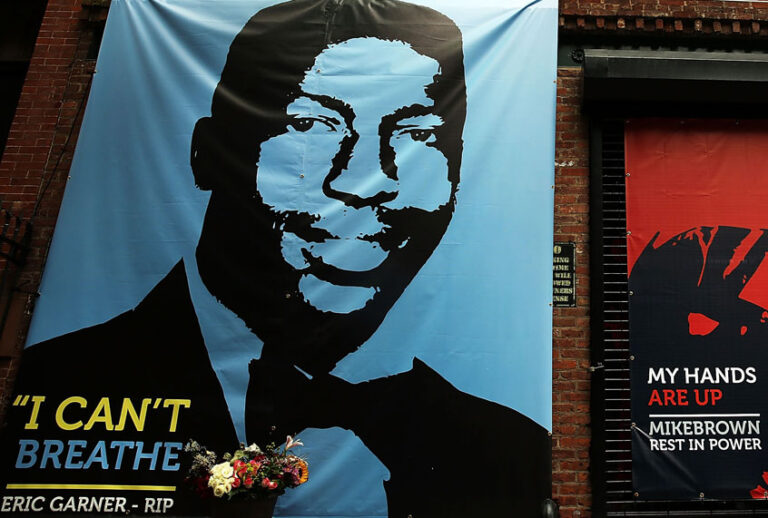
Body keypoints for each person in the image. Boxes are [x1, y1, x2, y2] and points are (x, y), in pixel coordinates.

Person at [0, 0, 551, 516]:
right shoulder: (62, 382)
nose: (366, 181)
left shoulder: (509, 449)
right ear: (207, 153)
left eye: (416, 134)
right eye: (312, 126)